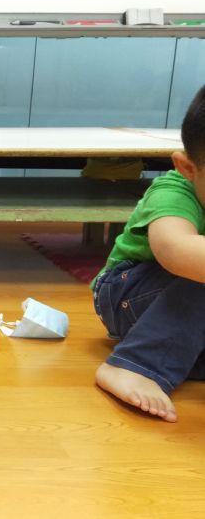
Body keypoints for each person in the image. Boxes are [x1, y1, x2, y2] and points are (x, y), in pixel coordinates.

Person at [91, 84, 205, 422]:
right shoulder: (174, 192)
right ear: (188, 168)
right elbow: (176, 251)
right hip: (127, 292)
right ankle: (136, 366)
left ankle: (181, 353)